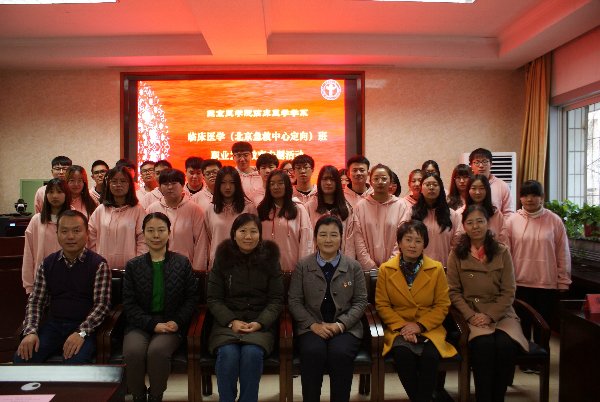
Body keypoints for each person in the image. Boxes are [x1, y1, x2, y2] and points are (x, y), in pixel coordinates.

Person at [447, 204, 528, 402]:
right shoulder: (456, 253)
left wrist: (490, 315)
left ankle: (498, 398)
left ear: (488, 223)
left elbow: (509, 290)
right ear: (464, 226)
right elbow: (453, 292)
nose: (475, 226)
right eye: (470, 222)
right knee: (484, 345)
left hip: (501, 314)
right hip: (472, 314)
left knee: (505, 345)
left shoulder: (501, 251)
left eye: (480, 221)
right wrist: (471, 316)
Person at [14, 210, 111, 364]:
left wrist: (81, 332)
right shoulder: (47, 264)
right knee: (23, 358)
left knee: (74, 362)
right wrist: (30, 331)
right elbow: (36, 301)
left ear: (87, 234)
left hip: (84, 328)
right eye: (64, 231)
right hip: (54, 326)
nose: (70, 236)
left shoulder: (98, 264)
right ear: (57, 234)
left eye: (76, 231)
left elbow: (102, 305)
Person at [288, 215, 368, 402]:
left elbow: (360, 302)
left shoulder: (353, 267)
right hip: (311, 327)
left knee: (340, 353)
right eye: (323, 235)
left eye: (333, 235)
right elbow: (294, 301)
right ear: (315, 238)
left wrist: (340, 325)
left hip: (345, 328)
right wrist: (313, 325)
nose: (328, 240)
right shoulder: (303, 266)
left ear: (341, 238)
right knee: (313, 352)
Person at [376, 220, 457, 402]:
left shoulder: (436, 269)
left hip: (429, 327)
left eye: (418, 241)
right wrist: (404, 327)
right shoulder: (386, 270)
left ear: (424, 244)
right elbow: (382, 305)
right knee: (403, 355)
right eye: (408, 239)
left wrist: (419, 326)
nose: (412, 245)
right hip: (399, 329)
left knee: (430, 356)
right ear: (399, 242)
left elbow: (442, 305)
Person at [123, 212, 199, 402]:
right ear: (143, 234)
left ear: (169, 233)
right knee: (133, 352)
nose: (156, 235)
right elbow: (129, 304)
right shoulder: (133, 266)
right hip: (140, 325)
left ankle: (156, 396)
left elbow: (192, 298)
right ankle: (139, 395)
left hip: (171, 324)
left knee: (157, 352)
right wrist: (151, 324)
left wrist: (177, 321)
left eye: (161, 230)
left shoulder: (182, 263)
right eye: (150, 230)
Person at [207, 213, 284, 402]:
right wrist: (231, 321)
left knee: (252, 354)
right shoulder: (222, 258)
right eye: (243, 231)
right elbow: (214, 299)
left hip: (259, 325)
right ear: (234, 234)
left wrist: (260, 323)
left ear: (260, 235)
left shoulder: (270, 260)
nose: (248, 236)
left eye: (253, 232)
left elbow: (276, 300)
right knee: (228, 354)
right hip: (227, 324)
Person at [505, 180, 571, 335]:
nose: (529, 199)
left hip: (546, 284)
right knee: (522, 327)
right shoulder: (512, 221)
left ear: (542, 197)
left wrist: (563, 280)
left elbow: (563, 252)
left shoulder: (554, 220)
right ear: (520, 198)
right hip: (519, 283)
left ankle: (542, 351)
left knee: (543, 327)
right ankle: (524, 350)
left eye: (534, 195)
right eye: (525, 195)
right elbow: (506, 254)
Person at [146, 169, 208, 271]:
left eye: (174, 183)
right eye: (165, 184)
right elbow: (145, 240)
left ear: (182, 185)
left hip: (185, 268)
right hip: (157, 266)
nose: (170, 187)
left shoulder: (194, 210)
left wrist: (197, 271)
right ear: (160, 186)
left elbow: (201, 243)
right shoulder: (152, 209)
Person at [88, 165, 147, 269]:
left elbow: (143, 240)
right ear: (108, 184)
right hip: (103, 268)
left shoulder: (138, 210)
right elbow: (91, 238)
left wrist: (137, 264)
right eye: (114, 181)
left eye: (123, 181)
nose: (118, 185)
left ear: (130, 184)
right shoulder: (100, 210)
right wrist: (95, 260)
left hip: (130, 269)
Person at [22, 178, 71, 294]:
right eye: (51, 192)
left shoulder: (74, 218)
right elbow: (28, 253)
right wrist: (29, 285)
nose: (55, 196)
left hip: (69, 278)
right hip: (42, 279)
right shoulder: (36, 220)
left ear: (66, 194)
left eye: (59, 192)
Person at [257, 169, 313, 272]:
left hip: (293, 272)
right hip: (266, 272)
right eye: (272, 184)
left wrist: (303, 270)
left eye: (280, 183)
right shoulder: (261, 210)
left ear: (287, 185)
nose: (275, 187)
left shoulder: (298, 209)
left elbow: (306, 240)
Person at [354, 164, 407, 270]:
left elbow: (403, 237)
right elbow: (358, 238)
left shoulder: (401, 206)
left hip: (395, 267)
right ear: (370, 181)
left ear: (390, 181)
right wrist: (370, 266)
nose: (380, 182)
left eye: (384, 178)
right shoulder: (360, 206)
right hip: (367, 269)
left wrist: (390, 265)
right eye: (376, 178)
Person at [204, 166, 257, 269]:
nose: (228, 187)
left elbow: (255, 237)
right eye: (223, 183)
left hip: (243, 264)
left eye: (232, 183)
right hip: (218, 263)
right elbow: (210, 237)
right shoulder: (210, 209)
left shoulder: (249, 207)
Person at [410, 173, 462, 267]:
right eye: (427, 184)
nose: (431, 187)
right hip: (417, 269)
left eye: (435, 184)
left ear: (441, 189)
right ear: (421, 189)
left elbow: (457, 244)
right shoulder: (411, 213)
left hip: (445, 267)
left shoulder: (452, 215)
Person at [305, 165, 356, 258]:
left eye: (332, 179)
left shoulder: (347, 209)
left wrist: (347, 263)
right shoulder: (309, 207)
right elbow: (307, 239)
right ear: (319, 181)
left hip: (341, 261)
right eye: (324, 179)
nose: (328, 183)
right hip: (315, 260)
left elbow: (350, 243)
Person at [463, 174, 508, 244]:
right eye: (473, 188)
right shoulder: (461, 213)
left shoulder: (496, 214)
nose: (477, 192)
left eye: (481, 188)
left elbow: (504, 241)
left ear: (487, 190)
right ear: (468, 190)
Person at [469, 148, 514, 216]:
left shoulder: (502, 186)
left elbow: (508, 213)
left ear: (491, 164)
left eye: (484, 161)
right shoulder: (468, 185)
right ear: (471, 165)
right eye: (477, 162)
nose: (481, 166)